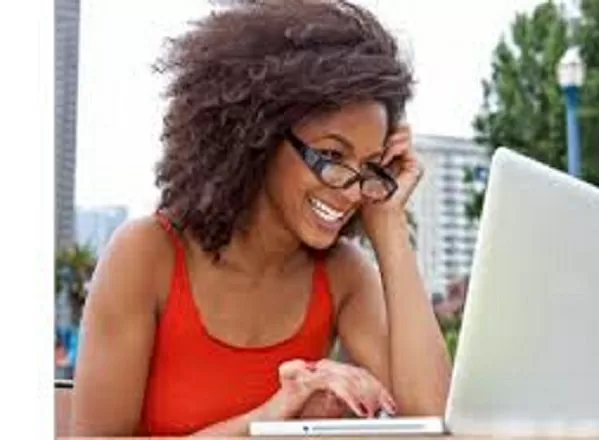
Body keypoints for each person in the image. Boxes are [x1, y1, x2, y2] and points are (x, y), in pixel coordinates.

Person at [70, 0, 451, 436]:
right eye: (331, 156)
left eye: (367, 166)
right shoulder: (146, 254)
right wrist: (271, 418)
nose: (351, 191)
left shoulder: (343, 274)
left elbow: (436, 420)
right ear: (260, 136)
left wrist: (389, 221)